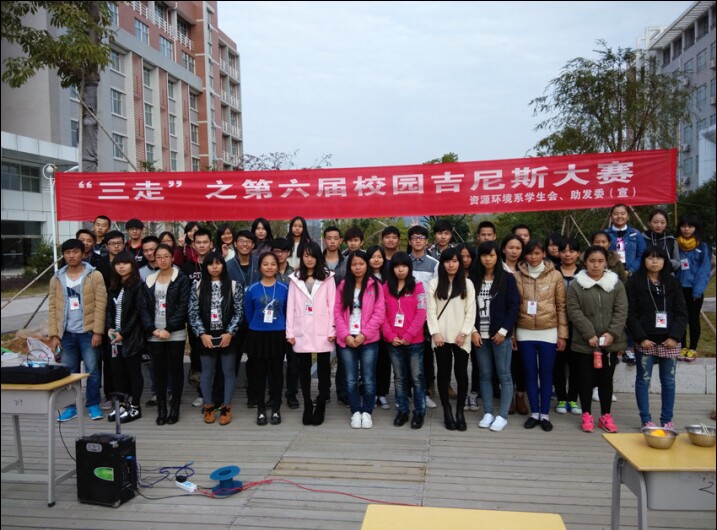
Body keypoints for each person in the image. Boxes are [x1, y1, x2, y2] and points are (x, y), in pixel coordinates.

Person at [567, 246, 628, 434]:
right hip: (584, 342)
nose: (596, 265)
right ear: (585, 262)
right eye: (592, 261)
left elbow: (621, 310)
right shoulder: (576, 285)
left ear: (606, 262)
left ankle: (605, 415)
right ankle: (586, 414)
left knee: (606, 380)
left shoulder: (616, 284)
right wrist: (589, 334)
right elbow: (574, 311)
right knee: (585, 379)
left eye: (600, 261)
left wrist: (612, 333)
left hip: (609, 343)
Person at [627, 247, 687, 430]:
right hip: (646, 340)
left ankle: (667, 419)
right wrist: (641, 337)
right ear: (644, 260)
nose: (655, 261)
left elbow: (681, 312)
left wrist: (675, 336)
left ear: (665, 261)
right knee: (643, 380)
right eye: (650, 258)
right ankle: (646, 419)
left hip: (669, 340)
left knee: (668, 381)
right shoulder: (634, 282)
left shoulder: (672, 282)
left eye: (659, 258)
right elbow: (630, 314)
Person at [49, 239, 107, 422]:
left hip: (87, 332)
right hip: (66, 333)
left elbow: (101, 305)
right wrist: (54, 334)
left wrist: (97, 332)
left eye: (75, 252)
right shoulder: (57, 278)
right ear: (63, 255)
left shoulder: (94, 275)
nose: (71, 256)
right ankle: (71, 406)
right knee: (69, 372)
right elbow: (52, 307)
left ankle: (93, 404)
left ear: (83, 253)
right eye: (67, 253)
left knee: (92, 370)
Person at [514, 240, 568, 432]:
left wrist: (562, 335)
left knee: (546, 374)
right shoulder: (517, 276)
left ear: (544, 254)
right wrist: (512, 334)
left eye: (537, 253)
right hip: (524, 331)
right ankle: (534, 413)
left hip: (549, 331)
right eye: (529, 253)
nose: (533, 257)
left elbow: (561, 306)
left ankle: (545, 414)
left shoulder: (555, 275)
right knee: (529, 373)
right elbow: (513, 307)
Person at [188, 251, 244, 426]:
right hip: (206, 335)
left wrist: (230, 333)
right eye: (210, 264)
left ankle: (226, 407)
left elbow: (239, 312)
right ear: (205, 266)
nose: (214, 267)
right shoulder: (197, 286)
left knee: (228, 372)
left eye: (218, 263)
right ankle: (209, 406)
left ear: (223, 265)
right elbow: (193, 313)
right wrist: (202, 334)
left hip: (227, 335)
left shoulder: (234, 285)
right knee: (207, 372)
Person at [286, 241, 336, 426]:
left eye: (312, 256)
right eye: (306, 256)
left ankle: (321, 403)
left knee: (323, 369)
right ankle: (307, 404)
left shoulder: (328, 277)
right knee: (304, 368)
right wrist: (290, 332)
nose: (309, 259)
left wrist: (332, 329)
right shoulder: (295, 278)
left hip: (323, 328)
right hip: (301, 328)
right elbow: (291, 306)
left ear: (318, 257)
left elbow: (333, 304)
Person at [334, 250, 386, 429]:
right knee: (350, 379)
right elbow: (337, 313)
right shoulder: (343, 286)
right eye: (354, 264)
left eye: (361, 264)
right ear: (349, 266)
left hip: (368, 340)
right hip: (347, 339)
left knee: (369, 378)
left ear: (367, 265)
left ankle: (367, 411)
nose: (358, 267)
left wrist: (364, 334)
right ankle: (355, 411)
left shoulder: (375, 286)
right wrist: (345, 335)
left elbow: (379, 313)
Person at [471, 241, 519, 432]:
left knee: (504, 375)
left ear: (497, 256)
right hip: (479, 336)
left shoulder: (507, 279)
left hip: (500, 336)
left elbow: (514, 307)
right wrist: (473, 331)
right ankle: (488, 412)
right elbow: (467, 308)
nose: (488, 259)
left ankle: (503, 415)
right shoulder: (473, 279)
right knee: (484, 375)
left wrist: (503, 331)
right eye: (484, 255)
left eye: (491, 255)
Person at [427, 247, 476, 431]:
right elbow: (430, 311)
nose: (451, 265)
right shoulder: (435, 283)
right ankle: (447, 410)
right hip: (440, 336)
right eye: (447, 261)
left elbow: (471, 311)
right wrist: (435, 332)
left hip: (461, 336)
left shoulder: (467, 284)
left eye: (455, 261)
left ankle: (460, 411)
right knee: (443, 373)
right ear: (442, 263)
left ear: (460, 263)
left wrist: (464, 333)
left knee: (461, 373)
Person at [145, 243, 191, 425]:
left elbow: (183, 306)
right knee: (158, 371)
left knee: (176, 369)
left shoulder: (181, 279)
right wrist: (152, 329)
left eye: (166, 256)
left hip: (175, 332)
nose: (162, 260)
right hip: (154, 332)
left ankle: (175, 407)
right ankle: (162, 408)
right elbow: (143, 307)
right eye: (158, 257)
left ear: (172, 258)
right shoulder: (149, 280)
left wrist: (169, 329)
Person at [381, 252, 427, 429]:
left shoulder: (418, 286)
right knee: (399, 377)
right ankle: (402, 410)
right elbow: (382, 314)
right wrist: (390, 336)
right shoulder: (386, 287)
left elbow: (421, 313)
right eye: (397, 266)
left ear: (409, 267)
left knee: (417, 377)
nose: (400, 269)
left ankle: (419, 412)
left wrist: (408, 335)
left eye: (404, 266)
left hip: (414, 342)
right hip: (393, 342)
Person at [105, 251, 153, 423]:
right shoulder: (114, 286)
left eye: (125, 263)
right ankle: (122, 405)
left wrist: (123, 333)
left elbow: (138, 313)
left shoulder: (139, 286)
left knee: (133, 373)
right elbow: (109, 310)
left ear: (132, 265)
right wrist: (109, 329)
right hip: (114, 338)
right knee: (118, 373)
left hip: (131, 337)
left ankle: (135, 407)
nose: (121, 267)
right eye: (118, 264)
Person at [244, 252, 290, 426]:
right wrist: (258, 325)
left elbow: (287, 311)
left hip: (277, 334)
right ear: (259, 267)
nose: (269, 267)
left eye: (273, 264)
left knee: (277, 373)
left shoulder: (284, 288)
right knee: (259, 373)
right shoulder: (252, 289)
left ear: (277, 267)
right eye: (265, 264)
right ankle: (261, 409)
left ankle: (276, 408)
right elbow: (248, 313)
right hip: (257, 335)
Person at [408, 225, 440, 409]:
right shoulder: (404, 262)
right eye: (414, 237)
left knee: (426, 355)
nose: (418, 240)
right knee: (406, 355)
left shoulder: (434, 264)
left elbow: (435, 292)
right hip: (406, 317)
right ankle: (407, 393)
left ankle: (426, 391)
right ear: (410, 241)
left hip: (426, 317)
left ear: (427, 241)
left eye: (421, 237)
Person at [675, 213, 712, 362]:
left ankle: (693, 348)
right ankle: (682, 346)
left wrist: (698, 290)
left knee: (693, 319)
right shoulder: (676, 244)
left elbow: (704, 270)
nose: (686, 229)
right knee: (680, 319)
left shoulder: (703, 247)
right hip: (678, 289)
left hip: (694, 290)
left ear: (695, 228)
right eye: (683, 226)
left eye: (690, 226)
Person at [499, 234, 528, 415]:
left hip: (525, 320)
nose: (514, 251)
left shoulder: (526, 269)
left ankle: (520, 395)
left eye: (518, 248)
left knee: (522, 361)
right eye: (511, 247)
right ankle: (508, 397)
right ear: (503, 249)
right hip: (505, 321)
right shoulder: (497, 268)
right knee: (506, 363)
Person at [554, 237, 583, 416]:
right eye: (564, 251)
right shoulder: (553, 272)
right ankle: (561, 398)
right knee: (558, 363)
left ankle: (573, 398)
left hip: (578, 326)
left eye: (572, 251)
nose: (567, 255)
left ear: (578, 253)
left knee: (576, 364)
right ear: (558, 253)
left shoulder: (584, 273)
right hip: (556, 324)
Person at [271, 237, 298, 408]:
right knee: (274, 362)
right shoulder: (267, 272)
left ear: (289, 253)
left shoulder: (295, 274)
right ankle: (274, 395)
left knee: (293, 362)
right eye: (276, 251)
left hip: (293, 324)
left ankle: (291, 394)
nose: (279, 254)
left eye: (283, 251)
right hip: (274, 324)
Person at [367, 245, 391, 410]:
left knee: (384, 361)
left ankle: (382, 393)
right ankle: (371, 393)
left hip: (387, 325)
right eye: (373, 256)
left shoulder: (389, 276)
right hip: (370, 326)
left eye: (379, 257)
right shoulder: (364, 277)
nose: (376, 260)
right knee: (370, 362)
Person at [605, 204, 646, 277]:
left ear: (628, 216)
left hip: (632, 275)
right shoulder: (605, 234)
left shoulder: (636, 234)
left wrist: (630, 271)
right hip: (609, 274)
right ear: (611, 216)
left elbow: (642, 255)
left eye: (623, 213)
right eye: (616, 214)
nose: (619, 216)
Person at [642, 209, 680, 273]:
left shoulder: (671, 240)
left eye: (662, 222)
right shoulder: (641, 238)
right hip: (645, 275)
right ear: (649, 222)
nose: (659, 225)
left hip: (667, 275)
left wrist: (664, 262)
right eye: (655, 222)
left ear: (666, 223)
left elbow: (677, 262)